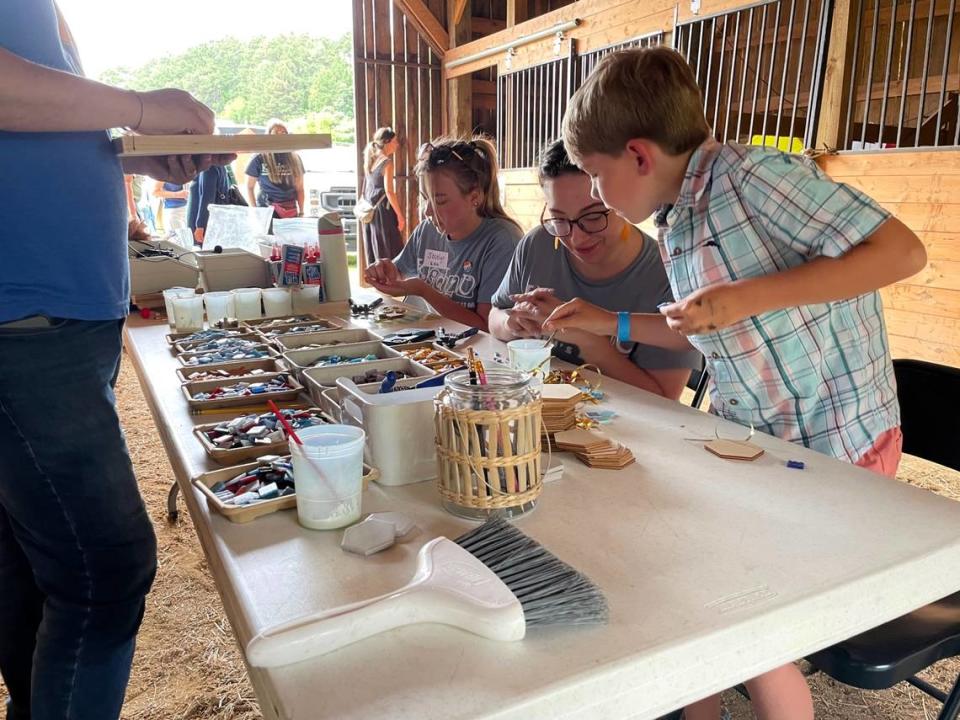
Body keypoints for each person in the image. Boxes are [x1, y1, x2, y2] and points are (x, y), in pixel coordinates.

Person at [544, 47, 927, 720]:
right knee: (678, 574)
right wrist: (610, 322)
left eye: (597, 180)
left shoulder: (753, 176)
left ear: (638, 155)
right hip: (762, 445)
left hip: (839, 448)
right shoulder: (679, 220)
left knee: (743, 620)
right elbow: (702, 330)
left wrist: (750, 296)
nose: (597, 197)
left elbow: (902, 252)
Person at [0, 2, 233, 718]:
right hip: (25, 320)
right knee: (106, 570)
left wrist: (126, 146)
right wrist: (136, 107)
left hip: (52, 314)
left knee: (31, 564)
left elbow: (36, 110)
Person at [489, 139, 701, 399]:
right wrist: (513, 324)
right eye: (559, 219)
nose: (577, 239)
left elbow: (664, 400)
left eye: (593, 217)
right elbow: (495, 315)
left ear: (620, 203)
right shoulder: (538, 243)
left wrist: (589, 340)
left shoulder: (668, 272)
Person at [364, 136, 523, 332]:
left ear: (474, 197)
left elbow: (486, 326)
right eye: (425, 199)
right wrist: (385, 271)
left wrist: (423, 291)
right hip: (430, 345)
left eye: (440, 201)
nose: (427, 212)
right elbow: (398, 272)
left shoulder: (502, 240)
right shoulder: (427, 230)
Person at [360, 126, 405, 263]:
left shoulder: (370, 160)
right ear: (386, 142)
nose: (397, 145)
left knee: (376, 248)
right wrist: (400, 216)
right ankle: (392, 281)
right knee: (391, 248)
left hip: (370, 212)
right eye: (395, 141)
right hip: (382, 212)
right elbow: (389, 192)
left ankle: (379, 279)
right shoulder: (387, 163)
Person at [245, 118, 304, 218]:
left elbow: (300, 188)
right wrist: (255, 210)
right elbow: (250, 187)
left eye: (284, 132)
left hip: (290, 209)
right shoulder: (259, 158)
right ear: (269, 135)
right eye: (276, 132)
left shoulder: (295, 158)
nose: (280, 135)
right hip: (266, 208)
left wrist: (302, 211)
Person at [187, 163, 231, 246]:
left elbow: (207, 198)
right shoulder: (219, 166)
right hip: (214, 221)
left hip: (206, 224)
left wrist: (200, 226)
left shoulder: (208, 167)